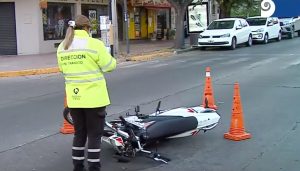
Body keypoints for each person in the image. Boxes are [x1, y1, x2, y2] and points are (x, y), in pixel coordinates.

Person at [57, 15, 116, 171]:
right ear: (86, 28)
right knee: (95, 135)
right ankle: (94, 168)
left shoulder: (63, 46)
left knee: (79, 134)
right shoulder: (94, 44)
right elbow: (110, 66)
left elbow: (62, 69)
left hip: (75, 100)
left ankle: (78, 167)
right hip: (94, 99)